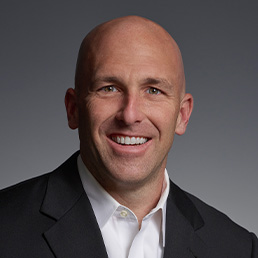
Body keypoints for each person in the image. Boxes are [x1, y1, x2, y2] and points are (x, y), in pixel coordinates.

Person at [0, 15, 257, 258]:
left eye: (153, 90)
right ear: (73, 109)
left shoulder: (238, 248)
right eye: (109, 88)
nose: (130, 115)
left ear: (182, 115)